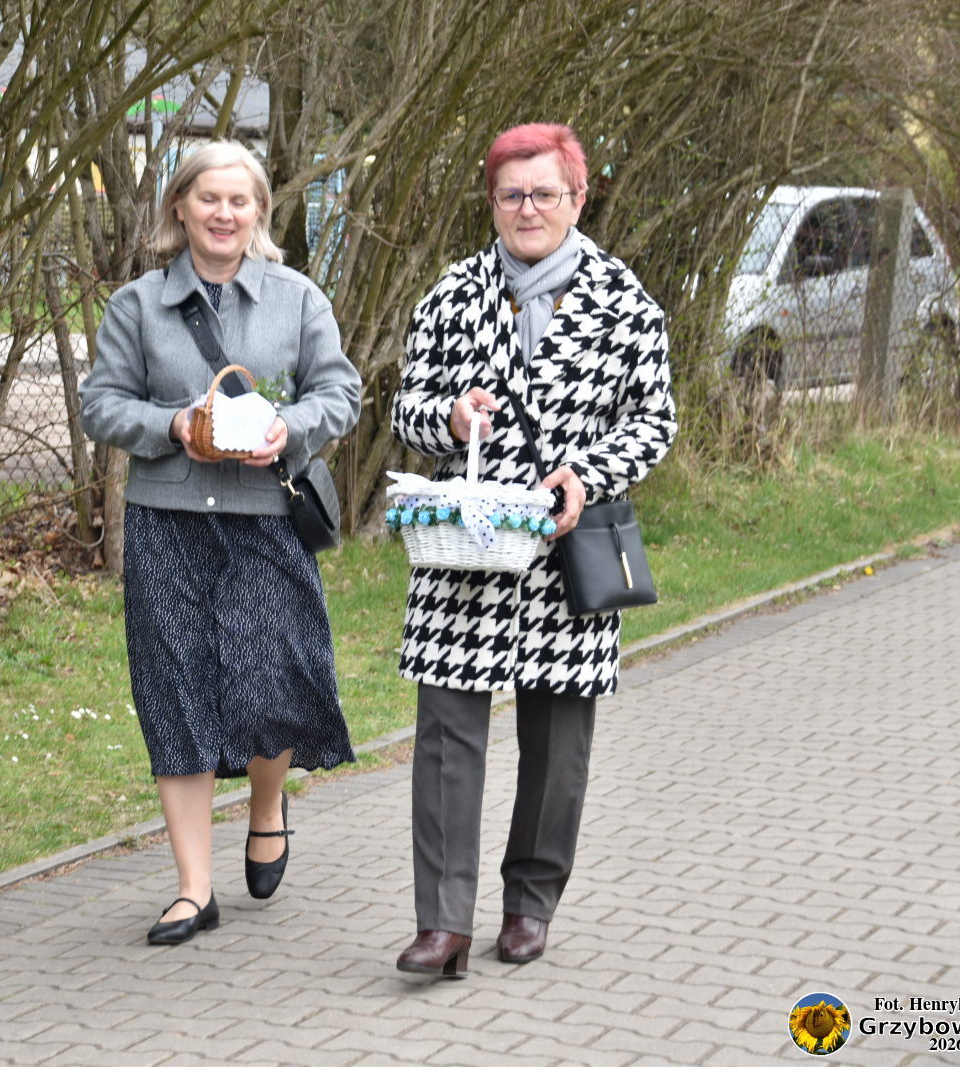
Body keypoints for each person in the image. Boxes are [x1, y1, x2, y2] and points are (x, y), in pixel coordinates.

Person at [389, 123, 677, 978]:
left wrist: (589, 472)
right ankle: (443, 923)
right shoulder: (452, 294)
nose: (527, 209)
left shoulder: (626, 303)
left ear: (577, 199)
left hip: (565, 548)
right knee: (447, 736)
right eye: (511, 194)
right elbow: (404, 406)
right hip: (464, 550)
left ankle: (530, 902)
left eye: (544, 193)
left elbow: (654, 421)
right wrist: (448, 418)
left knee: (558, 742)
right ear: (492, 201)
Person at [79, 141, 361, 946]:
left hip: (266, 517)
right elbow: (101, 404)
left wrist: (288, 428)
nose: (224, 214)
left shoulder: (297, 297)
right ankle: (193, 889)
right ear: (180, 205)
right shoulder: (137, 304)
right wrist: (172, 424)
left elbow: (340, 391)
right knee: (175, 690)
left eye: (240, 201)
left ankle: (267, 804)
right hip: (167, 521)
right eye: (209, 198)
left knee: (271, 680)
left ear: (259, 211)